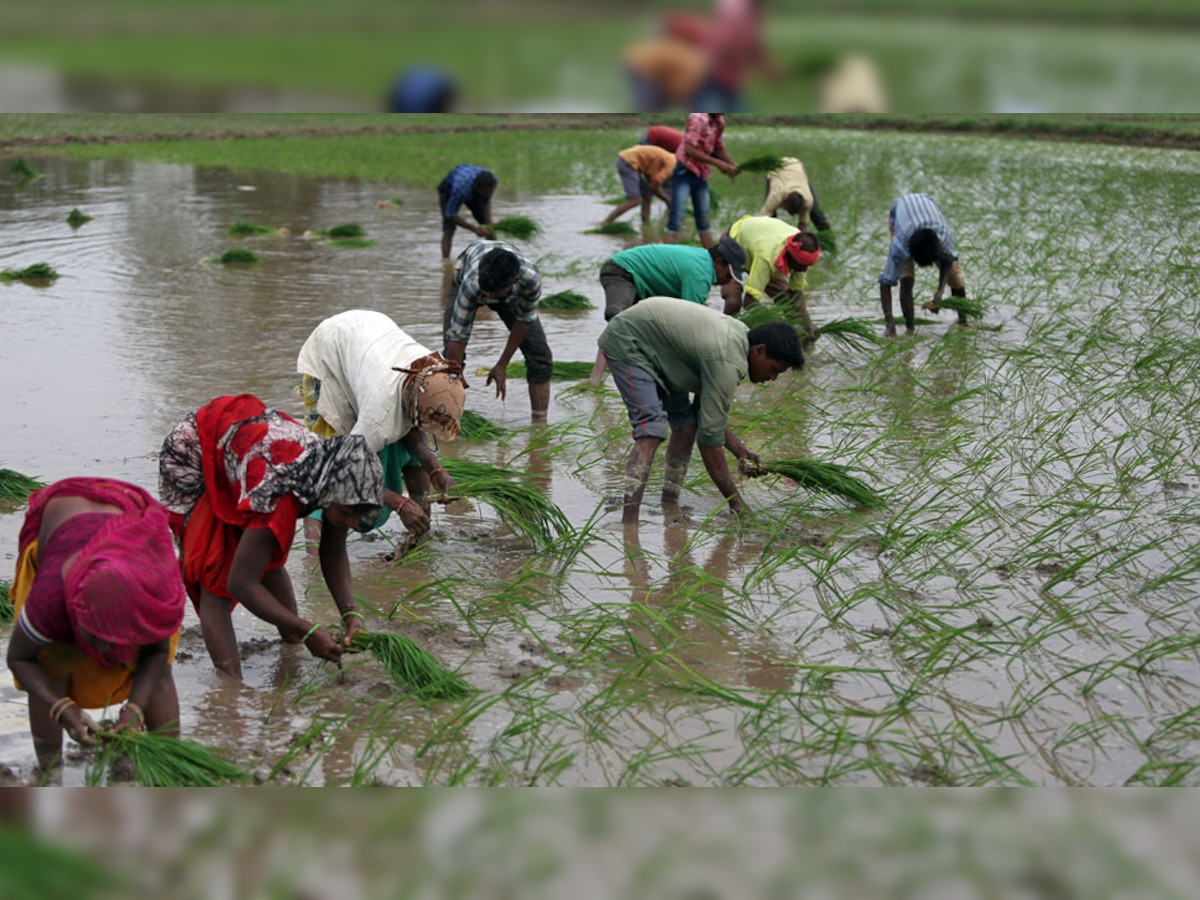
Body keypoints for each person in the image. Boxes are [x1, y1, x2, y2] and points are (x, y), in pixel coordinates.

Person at [158, 393, 385, 681]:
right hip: (195, 454)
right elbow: (240, 583)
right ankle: (231, 685)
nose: (348, 522)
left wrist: (351, 614)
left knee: (263, 552)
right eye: (346, 515)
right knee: (214, 574)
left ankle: (289, 642)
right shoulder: (281, 494)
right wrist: (308, 629)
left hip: (244, 447)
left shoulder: (336, 479)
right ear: (333, 496)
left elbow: (334, 551)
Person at [7, 477, 187, 773]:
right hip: (64, 519)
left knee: (161, 674)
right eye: (96, 638)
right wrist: (61, 708)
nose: (104, 654)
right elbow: (19, 658)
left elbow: (156, 653)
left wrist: (133, 709)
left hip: (130, 522)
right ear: (75, 613)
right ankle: (50, 772)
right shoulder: (50, 600)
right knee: (50, 663)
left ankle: (168, 766)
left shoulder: (155, 596)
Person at [597, 297, 804, 524]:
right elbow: (710, 443)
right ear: (759, 350)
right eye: (773, 369)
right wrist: (736, 504)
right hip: (629, 341)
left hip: (663, 349)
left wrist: (741, 452)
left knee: (687, 426)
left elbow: (709, 417)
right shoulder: (728, 360)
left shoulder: (740, 341)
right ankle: (630, 522)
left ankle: (668, 502)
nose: (772, 378)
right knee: (651, 430)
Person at [296, 309, 466, 545]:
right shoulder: (379, 416)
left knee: (410, 451)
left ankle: (420, 538)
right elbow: (345, 468)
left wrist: (436, 470)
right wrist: (399, 503)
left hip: (368, 338)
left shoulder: (432, 372)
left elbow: (413, 428)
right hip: (330, 352)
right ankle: (313, 554)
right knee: (326, 461)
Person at [589, 238, 747, 383]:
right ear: (719, 263)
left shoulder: (701, 260)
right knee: (618, 323)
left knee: (639, 331)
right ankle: (595, 379)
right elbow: (688, 323)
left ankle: (641, 376)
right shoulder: (700, 274)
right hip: (621, 271)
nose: (729, 280)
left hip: (641, 282)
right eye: (730, 273)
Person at [443, 241, 552, 422]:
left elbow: (524, 321)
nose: (489, 298)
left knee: (540, 355)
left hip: (509, 294)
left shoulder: (530, 279)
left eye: (494, 294)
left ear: (515, 281)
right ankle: (448, 417)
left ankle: (540, 424)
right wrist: (454, 379)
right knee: (451, 359)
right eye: (487, 293)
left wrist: (502, 364)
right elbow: (458, 338)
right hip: (465, 280)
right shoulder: (472, 284)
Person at [878, 193, 968, 337]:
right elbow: (885, 283)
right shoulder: (900, 246)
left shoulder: (944, 236)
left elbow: (948, 261)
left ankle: (963, 321)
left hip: (926, 203)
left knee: (955, 277)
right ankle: (910, 329)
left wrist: (940, 292)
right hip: (900, 213)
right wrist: (889, 324)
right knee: (906, 279)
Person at [726, 215, 821, 328]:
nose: (804, 270)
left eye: (807, 266)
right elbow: (749, 301)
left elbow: (795, 294)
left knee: (786, 301)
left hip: (760, 241)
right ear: (790, 257)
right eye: (801, 266)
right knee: (734, 302)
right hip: (735, 242)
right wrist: (774, 324)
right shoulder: (767, 258)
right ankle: (726, 331)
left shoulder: (801, 246)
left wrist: (806, 325)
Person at [665, 113, 739, 250]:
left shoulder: (719, 122)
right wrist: (717, 163)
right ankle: (663, 258)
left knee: (704, 219)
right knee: (676, 217)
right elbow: (689, 149)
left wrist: (730, 163)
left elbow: (718, 146)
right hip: (684, 171)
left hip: (701, 173)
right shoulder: (698, 118)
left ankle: (711, 259)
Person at [600, 142, 677, 230]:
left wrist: (665, 198)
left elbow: (651, 183)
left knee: (647, 195)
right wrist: (666, 199)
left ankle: (645, 225)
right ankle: (606, 222)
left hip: (632, 161)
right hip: (628, 162)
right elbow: (654, 185)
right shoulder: (672, 166)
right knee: (634, 200)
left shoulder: (670, 161)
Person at [437, 165, 497, 260]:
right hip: (448, 189)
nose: (488, 194)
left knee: (487, 227)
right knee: (449, 228)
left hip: (473, 187)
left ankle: (496, 255)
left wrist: (489, 223)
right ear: (477, 188)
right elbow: (450, 214)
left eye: (489, 192)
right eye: (485, 192)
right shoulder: (461, 189)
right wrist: (474, 229)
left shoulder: (492, 181)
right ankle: (445, 261)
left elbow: (486, 201)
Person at [758, 157, 832, 233]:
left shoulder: (808, 199)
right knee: (771, 219)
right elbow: (763, 217)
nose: (791, 216)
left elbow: (803, 224)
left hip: (796, 168)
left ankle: (829, 239)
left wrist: (801, 237)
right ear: (785, 203)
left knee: (816, 213)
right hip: (777, 169)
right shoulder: (776, 195)